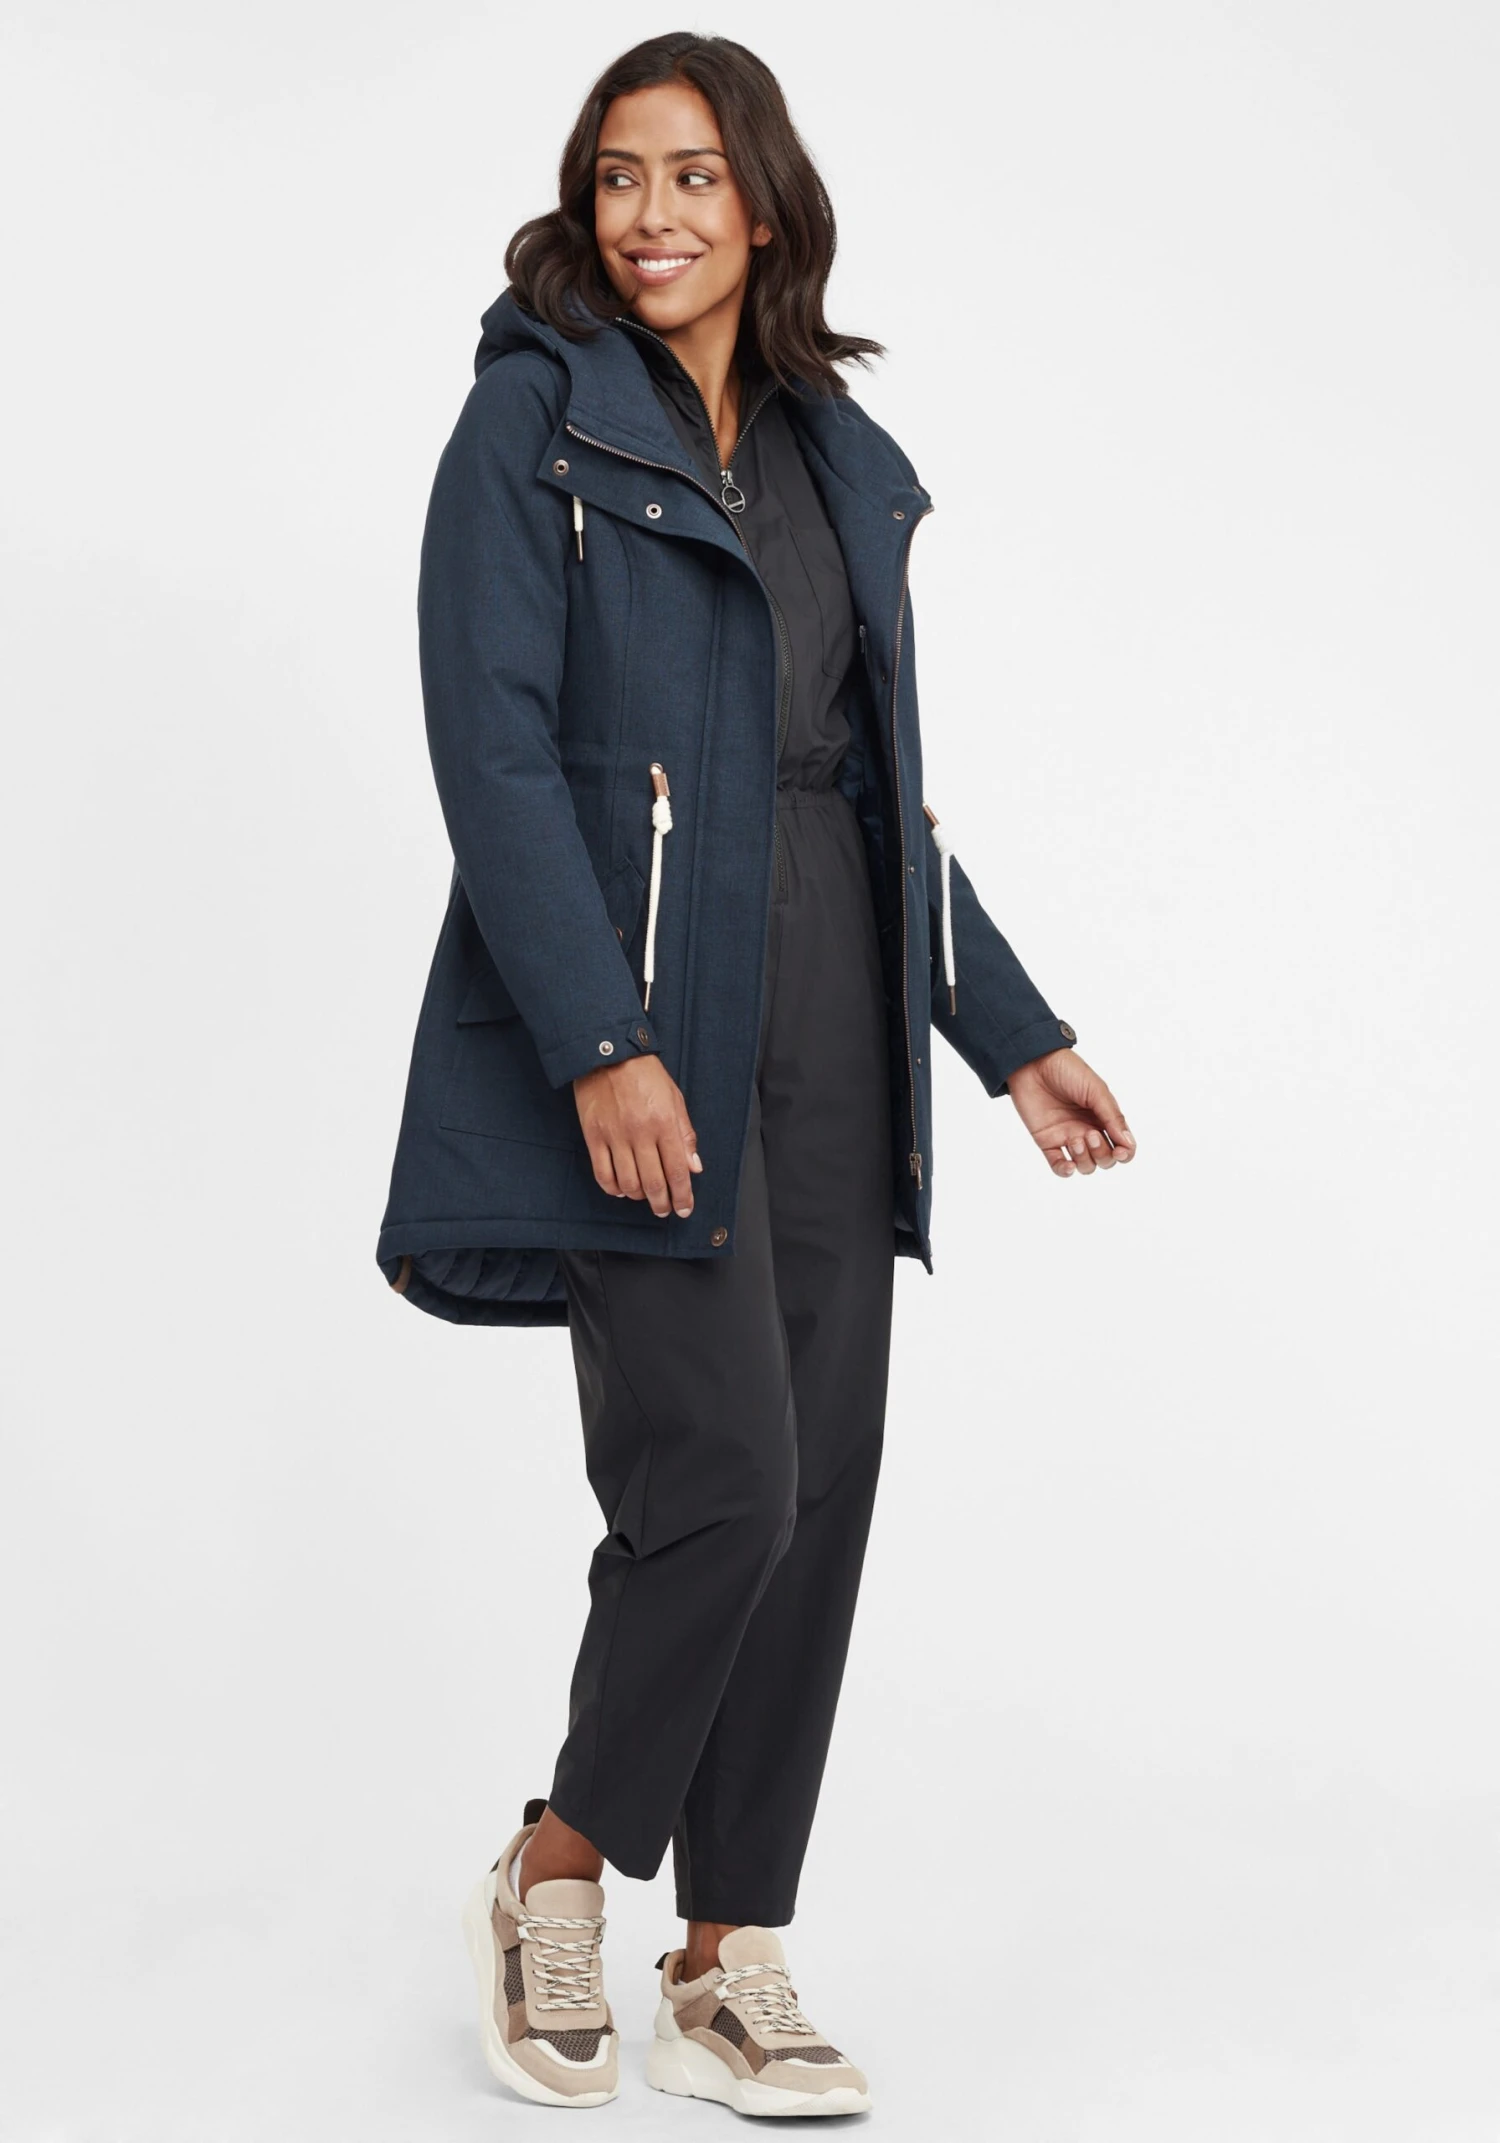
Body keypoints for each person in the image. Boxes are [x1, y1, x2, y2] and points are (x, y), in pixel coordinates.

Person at [377, 31, 1136, 2119]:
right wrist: (601, 1045)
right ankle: (555, 1870)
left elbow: (876, 790)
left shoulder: (823, 451)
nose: (651, 216)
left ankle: (730, 1953)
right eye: (619, 175)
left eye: (694, 177)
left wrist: (1011, 1029)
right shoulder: (530, 419)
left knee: (815, 1495)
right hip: (644, 1007)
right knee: (720, 1474)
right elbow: (493, 753)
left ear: (769, 205)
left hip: (834, 1001)